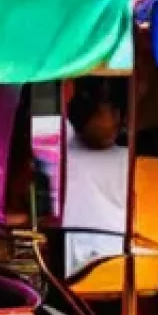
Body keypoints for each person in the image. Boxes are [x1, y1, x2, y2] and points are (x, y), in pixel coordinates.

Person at [62, 80, 129, 279]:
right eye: (105, 110)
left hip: (121, 258)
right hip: (80, 264)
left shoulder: (128, 159)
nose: (113, 120)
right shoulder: (60, 154)